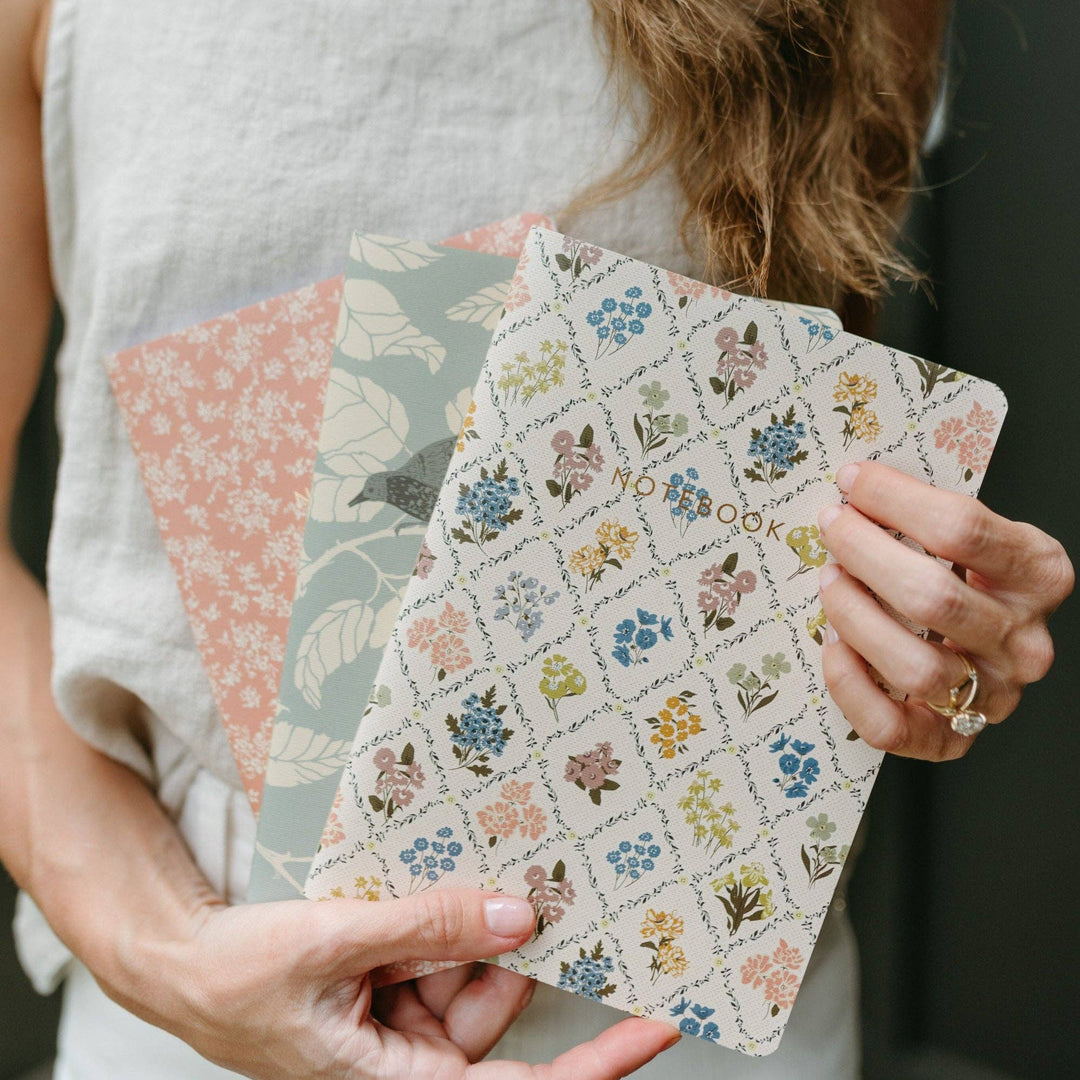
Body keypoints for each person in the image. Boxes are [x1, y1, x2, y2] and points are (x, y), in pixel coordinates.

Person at [0, 1, 1072, 1078]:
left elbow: (806, 450)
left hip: (689, 978)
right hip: (198, 989)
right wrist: (166, 949)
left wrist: (929, 636)